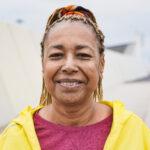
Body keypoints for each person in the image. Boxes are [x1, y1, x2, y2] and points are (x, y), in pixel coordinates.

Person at [0, 5, 150, 150]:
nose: (69, 66)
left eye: (83, 55)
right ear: (43, 64)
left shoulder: (136, 132)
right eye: (56, 55)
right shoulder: (13, 138)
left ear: (101, 64)